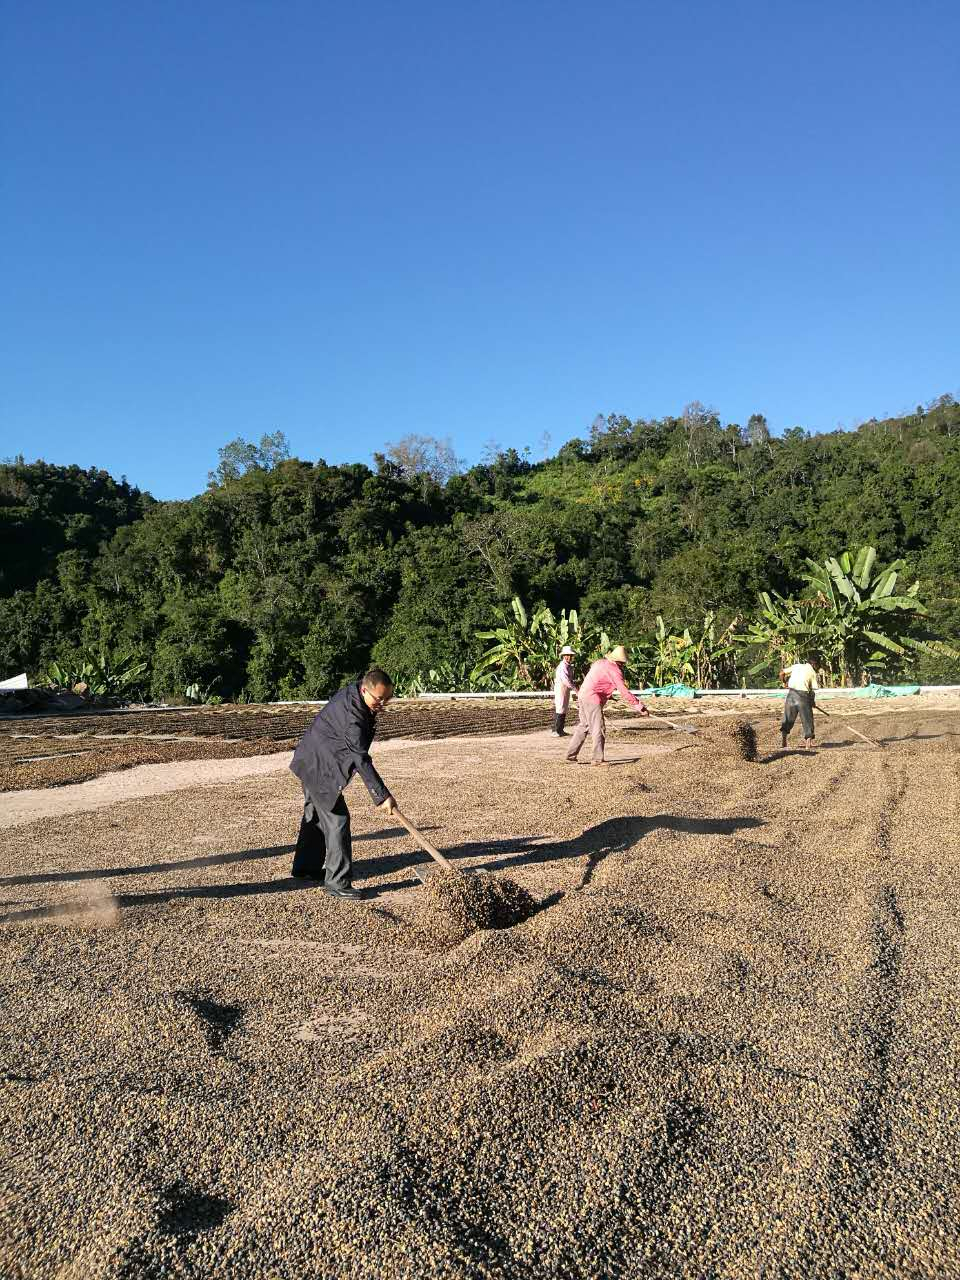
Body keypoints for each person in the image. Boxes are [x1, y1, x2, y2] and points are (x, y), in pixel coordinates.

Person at [289, 667, 397, 900]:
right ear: (365, 689)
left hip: (311, 757)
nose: (383, 704)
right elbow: (360, 758)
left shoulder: (357, 694)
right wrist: (382, 796)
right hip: (319, 766)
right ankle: (337, 882)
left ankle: (305, 868)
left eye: (387, 698)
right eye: (379, 699)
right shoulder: (354, 719)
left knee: (316, 816)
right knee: (338, 820)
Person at [566, 645, 649, 765]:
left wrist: (607, 694)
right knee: (598, 728)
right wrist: (639, 707)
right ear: (620, 662)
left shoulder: (600, 662)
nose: (623, 665)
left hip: (583, 695)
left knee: (583, 726)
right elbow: (624, 691)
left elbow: (597, 679)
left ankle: (570, 755)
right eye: (623, 663)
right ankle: (597, 759)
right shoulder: (615, 670)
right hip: (592, 698)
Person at [779, 658, 819, 749]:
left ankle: (784, 741)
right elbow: (812, 691)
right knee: (807, 719)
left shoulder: (796, 666)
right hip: (803, 696)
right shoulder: (812, 672)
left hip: (791, 695)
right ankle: (808, 743)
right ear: (813, 665)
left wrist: (784, 683)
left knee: (788, 718)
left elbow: (781, 673)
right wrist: (812, 702)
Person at [552, 646, 578, 736]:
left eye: (570, 655)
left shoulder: (569, 667)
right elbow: (565, 680)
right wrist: (574, 688)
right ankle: (555, 730)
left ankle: (560, 730)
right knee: (560, 707)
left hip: (566, 689)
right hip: (560, 688)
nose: (569, 657)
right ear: (564, 656)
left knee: (564, 708)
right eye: (567, 655)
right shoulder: (562, 666)